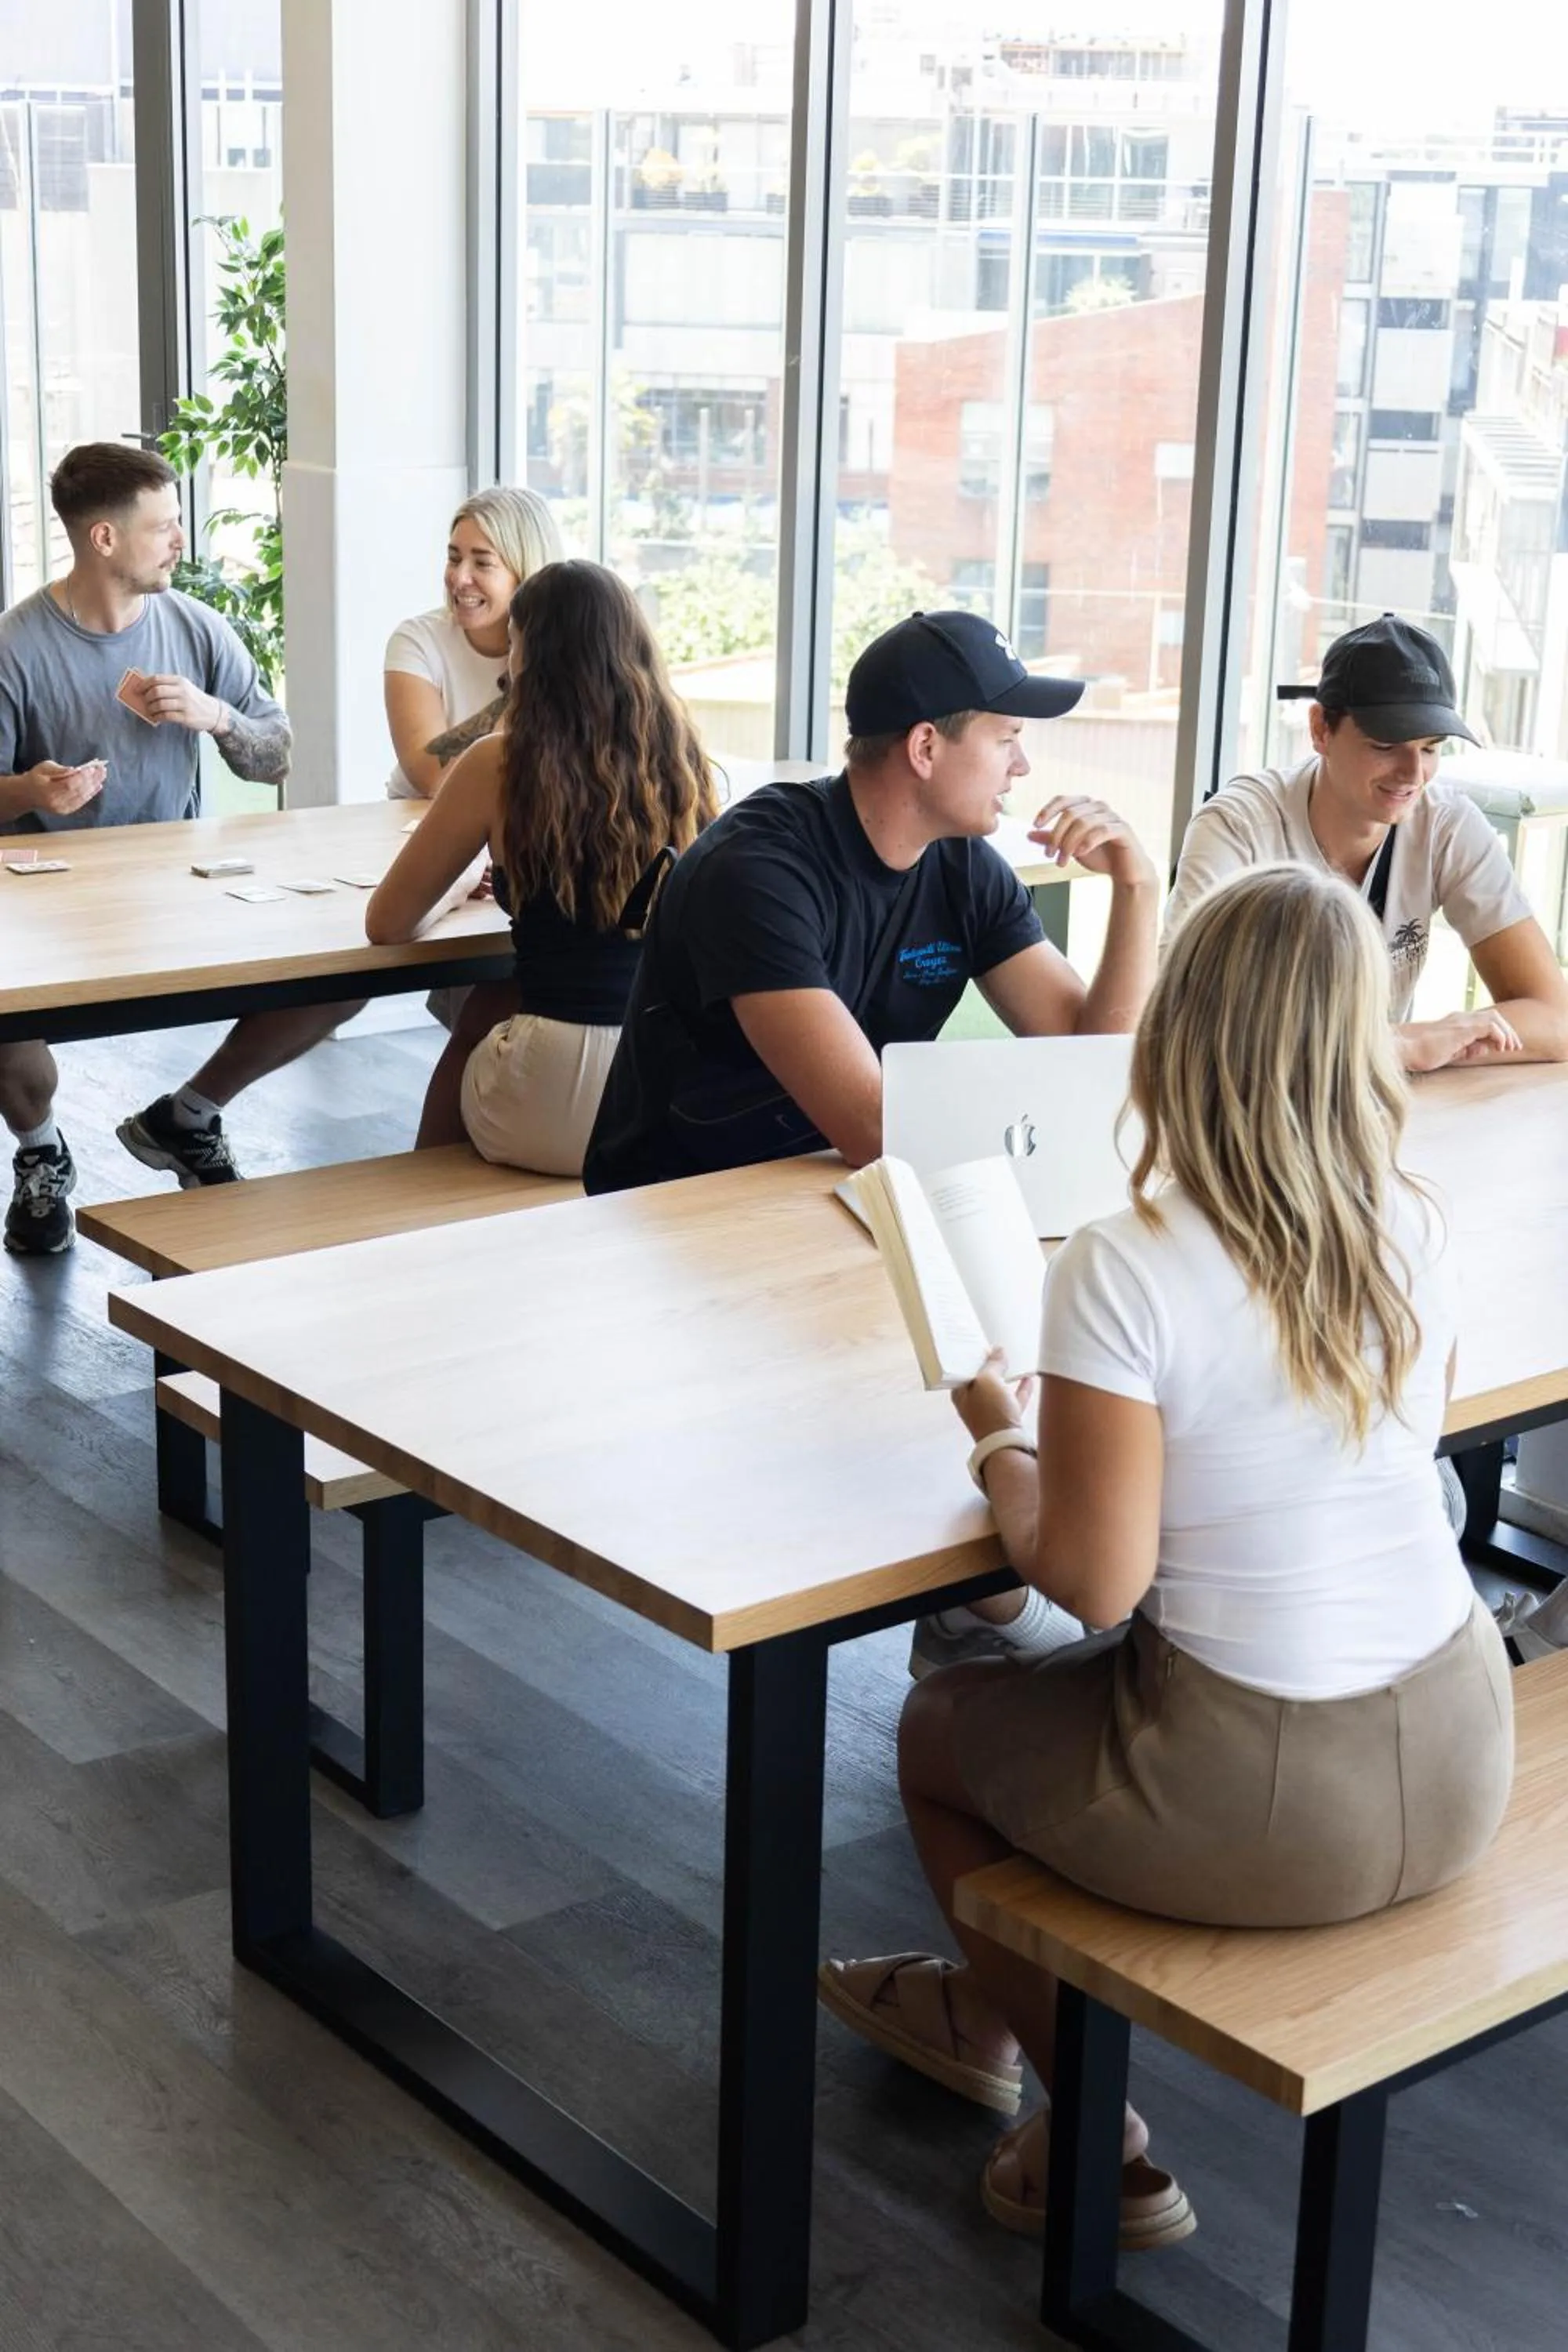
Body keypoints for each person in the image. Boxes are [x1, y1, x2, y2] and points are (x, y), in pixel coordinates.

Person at [819, 862, 1513, 2254]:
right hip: (1458, 1742)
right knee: (1079, 1695)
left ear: (1182, 1035)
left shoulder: (1129, 1264)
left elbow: (1091, 1582)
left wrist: (994, 1433)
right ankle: (983, 1999)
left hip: (1270, 1794)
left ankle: (1092, 2128)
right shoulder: (1413, 1226)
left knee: (941, 1725)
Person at [584, 606, 1161, 1677]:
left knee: (1064, 1311)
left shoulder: (963, 866)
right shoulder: (759, 870)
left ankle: (1004, 1579)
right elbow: (869, 1126)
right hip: (685, 1222)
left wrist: (1137, 891)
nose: (1025, 762)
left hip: (845, 1196)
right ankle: (998, 1592)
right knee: (1000, 1322)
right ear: (927, 747)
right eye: (1005, 736)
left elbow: (1085, 1058)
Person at [0, 442, 299, 1252]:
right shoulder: (16, 646)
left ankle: (188, 1115)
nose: (180, 542)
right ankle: (40, 1150)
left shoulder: (197, 628)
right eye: (164, 526)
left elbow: (278, 753)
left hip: (182, 887)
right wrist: (32, 790)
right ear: (103, 539)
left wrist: (219, 718)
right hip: (46, 906)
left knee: (340, 968)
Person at [365, 561, 717, 1174]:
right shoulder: (686, 763)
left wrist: (456, 891)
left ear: (532, 654)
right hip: (661, 1093)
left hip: (548, 1102)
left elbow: (388, 923)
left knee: (489, 1003)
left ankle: (420, 1196)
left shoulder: (498, 762)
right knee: (511, 990)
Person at [1165, 612, 1568, 1072]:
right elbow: (1185, 1018)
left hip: (1369, 1108)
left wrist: (1407, 1044)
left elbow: (1555, 1020)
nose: (1414, 774)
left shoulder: (1447, 825)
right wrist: (1399, 1047)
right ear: (1320, 729)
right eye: (1385, 745)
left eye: (1431, 748)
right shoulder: (1238, 828)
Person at [383, 485, 561, 802]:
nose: (459, 578)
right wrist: (524, 690)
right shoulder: (417, 641)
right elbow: (433, 778)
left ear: (526, 575)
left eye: (482, 564)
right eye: (454, 559)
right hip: (418, 819)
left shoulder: (568, 650)